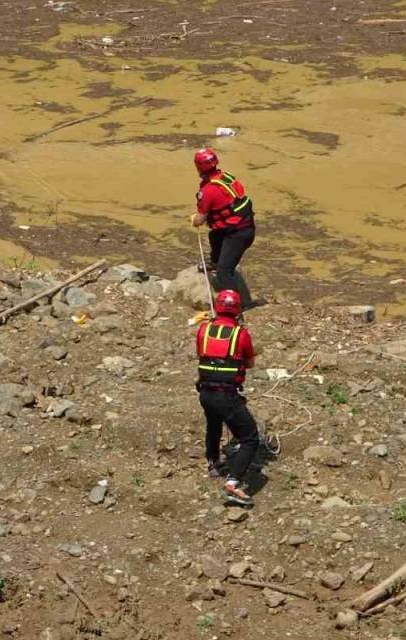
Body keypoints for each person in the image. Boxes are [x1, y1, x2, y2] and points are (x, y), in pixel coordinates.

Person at [195, 289, 260, 506]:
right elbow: (250, 363)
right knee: (250, 438)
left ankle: (213, 462)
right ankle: (233, 482)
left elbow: (202, 355)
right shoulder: (240, 334)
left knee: (213, 424)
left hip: (206, 393)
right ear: (238, 310)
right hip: (226, 395)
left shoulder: (204, 330)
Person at [191, 148, 255, 303]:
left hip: (237, 234)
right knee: (214, 235)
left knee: (224, 272)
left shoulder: (208, 191)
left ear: (198, 167)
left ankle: (232, 306)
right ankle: (214, 261)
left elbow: (200, 220)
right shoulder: (227, 177)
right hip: (244, 225)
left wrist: (194, 219)